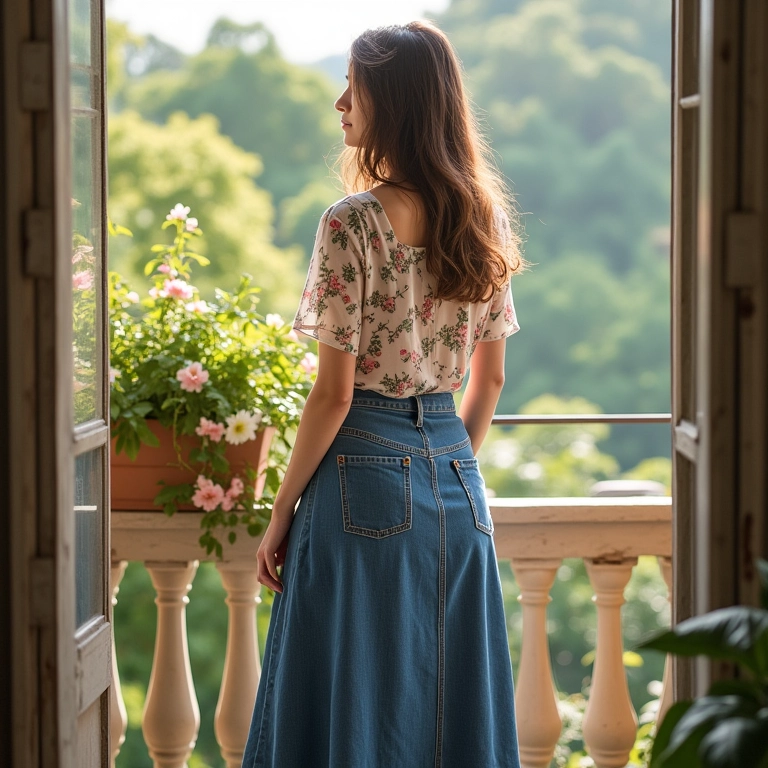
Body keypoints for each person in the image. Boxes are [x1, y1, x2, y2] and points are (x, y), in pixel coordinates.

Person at [242, 20, 524, 768]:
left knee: (351, 700)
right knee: (450, 706)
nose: (341, 104)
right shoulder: (481, 219)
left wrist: (281, 513)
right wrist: (443, 458)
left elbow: (332, 396)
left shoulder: (352, 223)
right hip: (459, 484)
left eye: (353, 88)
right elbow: (488, 379)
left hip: (359, 476)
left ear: (390, 102)